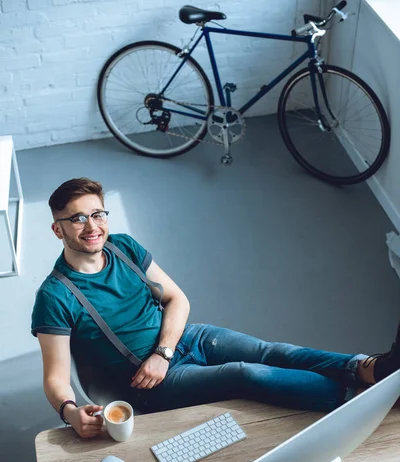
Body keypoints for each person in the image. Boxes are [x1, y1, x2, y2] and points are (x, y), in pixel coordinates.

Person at [31, 178, 400, 439]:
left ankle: (371, 369)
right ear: (57, 229)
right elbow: (56, 376)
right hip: (146, 381)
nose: (92, 226)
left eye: (98, 214)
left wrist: (164, 350)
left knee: (273, 351)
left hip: (180, 341)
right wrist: (69, 411)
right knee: (246, 374)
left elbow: (177, 298)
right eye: (78, 218)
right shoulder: (55, 295)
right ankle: (360, 398)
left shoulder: (124, 247)